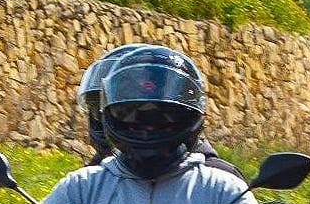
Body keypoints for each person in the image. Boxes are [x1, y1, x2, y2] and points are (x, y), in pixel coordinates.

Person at [6, 45, 290, 204]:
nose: (147, 125)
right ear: (110, 114)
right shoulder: (81, 185)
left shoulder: (223, 187)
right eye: (133, 115)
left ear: (191, 116)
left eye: (162, 116)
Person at [78, 45, 243, 178]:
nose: (136, 121)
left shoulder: (217, 181)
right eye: (96, 108)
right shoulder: (87, 181)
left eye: (128, 109)